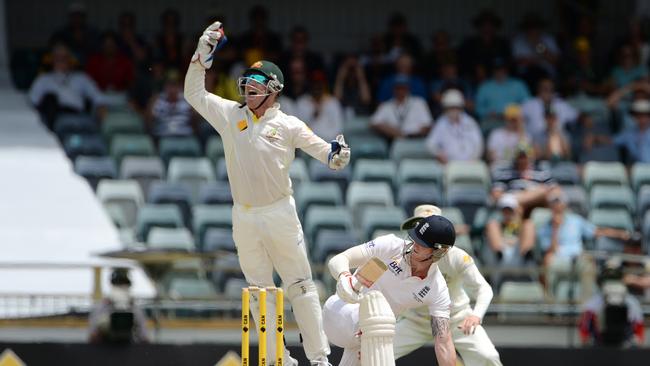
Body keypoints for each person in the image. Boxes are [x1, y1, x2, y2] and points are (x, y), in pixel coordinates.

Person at [184, 22, 350, 366]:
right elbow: (194, 95)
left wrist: (337, 156)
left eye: (255, 87)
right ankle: (279, 358)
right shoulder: (231, 115)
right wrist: (202, 55)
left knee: (301, 286)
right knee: (259, 291)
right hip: (244, 214)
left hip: (279, 213)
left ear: (274, 90)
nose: (247, 92)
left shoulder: (288, 124)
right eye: (245, 86)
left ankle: (319, 359)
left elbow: (325, 152)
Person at [323, 214, 457, 366]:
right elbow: (338, 259)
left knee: (378, 339)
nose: (414, 246)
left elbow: (444, 342)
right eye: (415, 239)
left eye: (422, 243)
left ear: (440, 251)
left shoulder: (437, 288)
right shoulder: (391, 245)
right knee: (384, 324)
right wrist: (344, 276)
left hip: (368, 335)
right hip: (339, 311)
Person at [394, 205, 502, 366]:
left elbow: (483, 289)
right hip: (416, 320)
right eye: (420, 226)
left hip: (456, 319)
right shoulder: (399, 254)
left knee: (488, 357)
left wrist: (476, 315)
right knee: (372, 351)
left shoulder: (457, 257)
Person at [29, 43, 105, 128]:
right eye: (57, 57)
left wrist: (100, 107)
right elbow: (33, 101)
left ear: (70, 59)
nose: (61, 60)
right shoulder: (43, 79)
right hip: (53, 118)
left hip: (77, 116)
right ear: (52, 59)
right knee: (50, 99)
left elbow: (97, 96)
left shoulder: (81, 77)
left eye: (64, 57)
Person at [88, 268, 149, 344]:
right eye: (118, 284)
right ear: (112, 285)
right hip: (105, 347)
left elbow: (144, 337)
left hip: (129, 347)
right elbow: (92, 337)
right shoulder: (101, 306)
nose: (121, 287)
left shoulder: (135, 308)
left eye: (123, 284)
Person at [425, 89, 483, 163]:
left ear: (461, 108)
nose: (453, 110)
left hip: (471, 163)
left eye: (456, 107)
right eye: (450, 107)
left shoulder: (470, 122)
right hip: (449, 164)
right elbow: (430, 144)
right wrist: (439, 153)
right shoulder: (441, 123)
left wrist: (474, 159)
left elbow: (479, 144)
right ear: (445, 108)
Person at [370, 74, 433, 140]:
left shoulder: (419, 102)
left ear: (408, 88)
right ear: (393, 89)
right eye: (398, 88)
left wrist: (413, 136)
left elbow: (428, 125)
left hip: (415, 139)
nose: (400, 91)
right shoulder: (386, 105)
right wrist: (396, 133)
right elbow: (373, 123)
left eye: (403, 88)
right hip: (393, 140)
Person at [295, 71, 344, 141]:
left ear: (324, 85)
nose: (317, 87)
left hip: (328, 143)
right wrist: (313, 115)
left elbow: (338, 127)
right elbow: (298, 127)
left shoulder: (333, 102)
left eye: (319, 84)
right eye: (314, 84)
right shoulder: (302, 102)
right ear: (310, 85)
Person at [150, 70, 194, 137]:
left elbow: (195, 122)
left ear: (180, 86)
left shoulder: (188, 100)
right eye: (170, 84)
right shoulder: (157, 100)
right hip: (162, 137)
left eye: (175, 85)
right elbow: (149, 122)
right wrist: (151, 103)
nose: (172, 88)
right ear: (165, 86)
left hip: (185, 137)